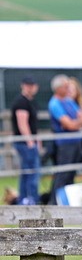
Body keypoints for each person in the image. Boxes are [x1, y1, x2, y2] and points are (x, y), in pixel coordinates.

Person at [46, 74, 82, 199]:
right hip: (64, 145)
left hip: (76, 143)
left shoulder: (68, 101)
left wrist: (76, 123)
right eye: (65, 87)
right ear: (58, 88)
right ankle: (54, 203)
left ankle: (68, 203)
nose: (68, 89)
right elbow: (69, 124)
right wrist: (76, 123)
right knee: (62, 174)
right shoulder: (54, 103)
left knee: (71, 175)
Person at [9, 77, 41, 205]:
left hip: (29, 142)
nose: (30, 88)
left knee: (27, 172)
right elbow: (22, 124)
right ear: (23, 86)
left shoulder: (30, 102)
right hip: (25, 143)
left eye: (32, 85)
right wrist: (30, 142)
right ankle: (30, 199)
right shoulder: (21, 102)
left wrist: (37, 140)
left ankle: (24, 199)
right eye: (28, 85)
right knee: (31, 172)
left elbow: (33, 125)